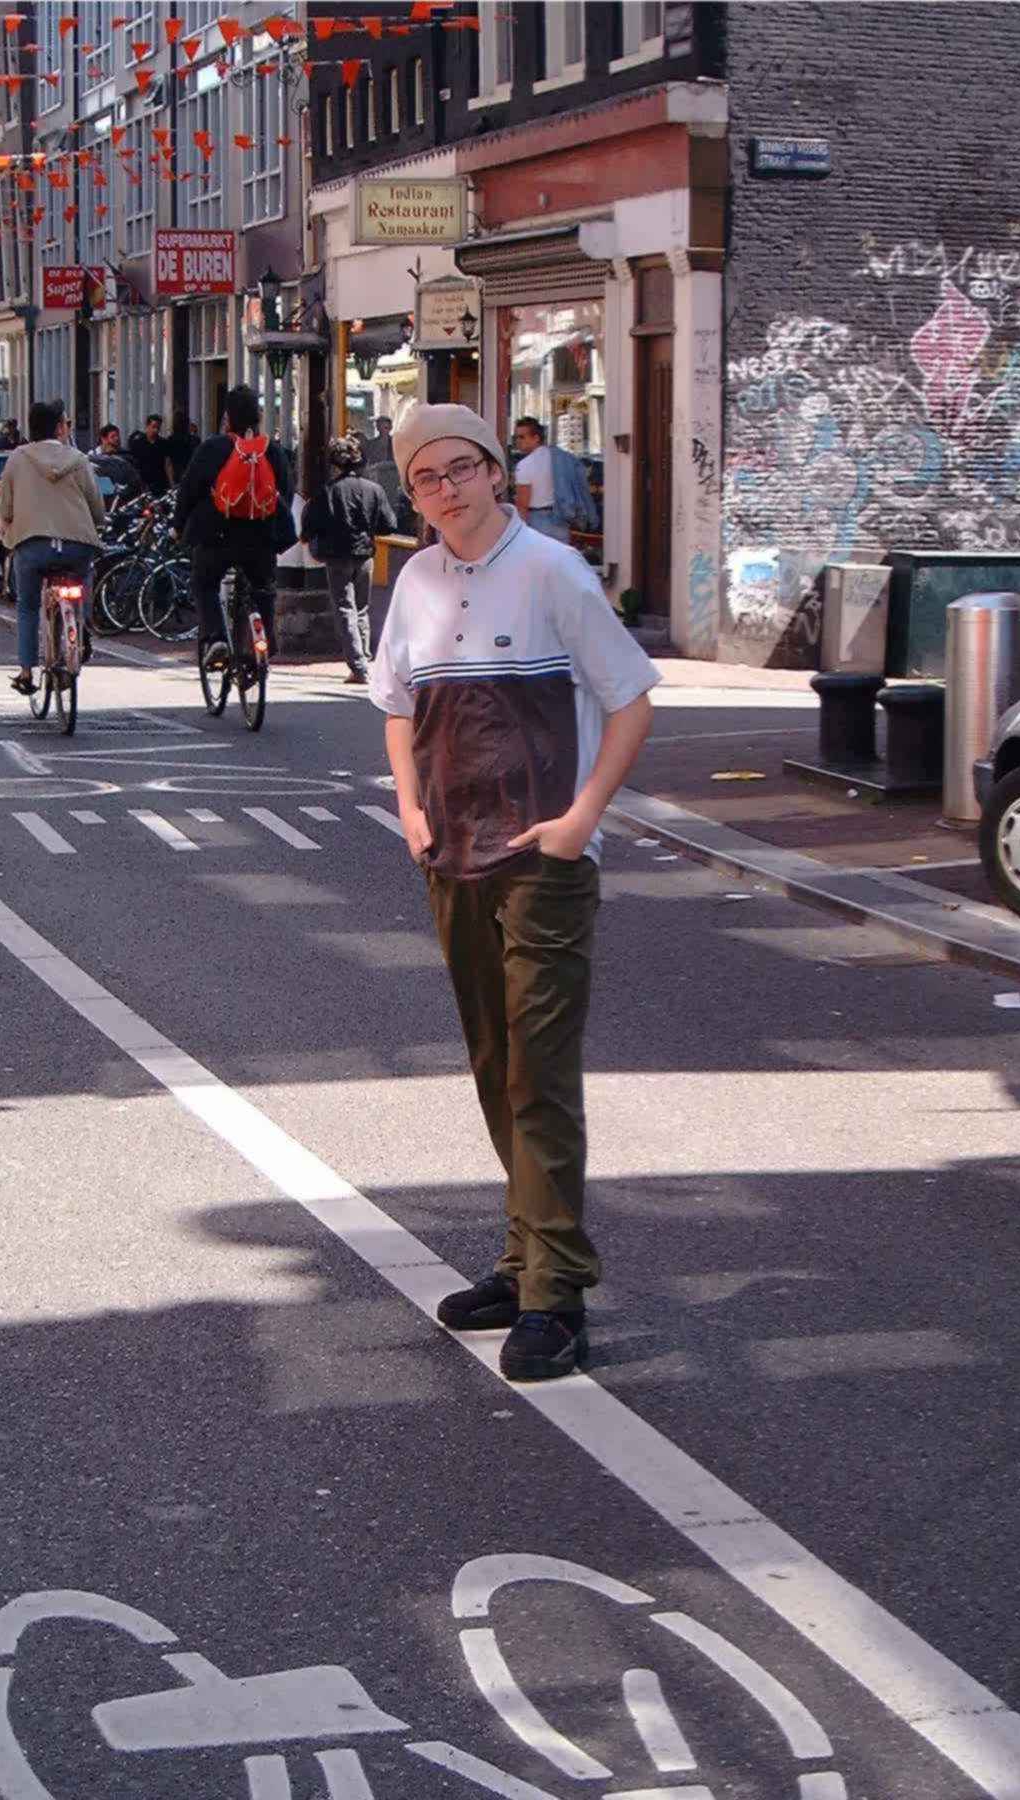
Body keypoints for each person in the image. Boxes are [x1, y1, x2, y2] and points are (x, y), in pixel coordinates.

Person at [369, 403, 659, 1382]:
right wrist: (409, 806)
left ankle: (556, 1294)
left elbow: (631, 699)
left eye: (462, 468)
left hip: (543, 860)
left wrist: (581, 821)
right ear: (414, 496)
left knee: (538, 1070)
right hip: (451, 853)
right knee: (495, 1062)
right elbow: (398, 707)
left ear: (499, 472)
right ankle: (521, 1256)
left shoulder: (552, 572)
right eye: (426, 477)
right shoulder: (416, 581)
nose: (446, 489)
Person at [173, 382, 295, 669]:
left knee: (204, 583)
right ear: (259, 417)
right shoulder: (272, 450)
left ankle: (216, 637)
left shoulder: (213, 448)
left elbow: (189, 490)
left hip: (218, 535)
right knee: (263, 586)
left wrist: (179, 526)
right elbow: (286, 493)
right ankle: (266, 637)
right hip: (261, 536)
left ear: (227, 417)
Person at [0, 397, 104, 696]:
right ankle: (81, 624)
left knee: (28, 605)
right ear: (59, 428)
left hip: (33, 546)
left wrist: (6, 523)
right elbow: (96, 506)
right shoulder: (78, 460)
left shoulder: (17, 458)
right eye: (66, 423)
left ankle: (26, 672)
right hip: (76, 545)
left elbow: (5, 508)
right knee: (84, 576)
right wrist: (98, 524)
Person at [300, 435, 396, 684]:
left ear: (335, 464)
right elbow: (389, 524)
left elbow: (308, 527)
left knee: (345, 608)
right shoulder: (374, 490)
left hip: (337, 556)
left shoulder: (327, 492)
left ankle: (359, 665)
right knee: (361, 608)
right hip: (365, 555)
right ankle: (364, 660)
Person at [512, 416, 599, 544]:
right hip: (561, 517)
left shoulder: (525, 465)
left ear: (536, 438)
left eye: (522, 437)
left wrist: (518, 534)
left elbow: (522, 505)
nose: (518, 441)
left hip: (537, 520)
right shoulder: (561, 458)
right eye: (516, 437)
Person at [127, 412, 171, 495]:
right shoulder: (137, 443)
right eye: (153, 427)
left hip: (160, 482)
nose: (156, 430)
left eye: (158, 428)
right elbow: (133, 465)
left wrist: (171, 483)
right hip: (143, 483)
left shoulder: (163, 443)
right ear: (147, 426)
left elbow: (167, 464)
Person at [167, 410, 200, 480]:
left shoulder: (170, 440)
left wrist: (171, 481)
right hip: (190, 474)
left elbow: (168, 463)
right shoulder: (195, 439)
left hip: (176, 474)